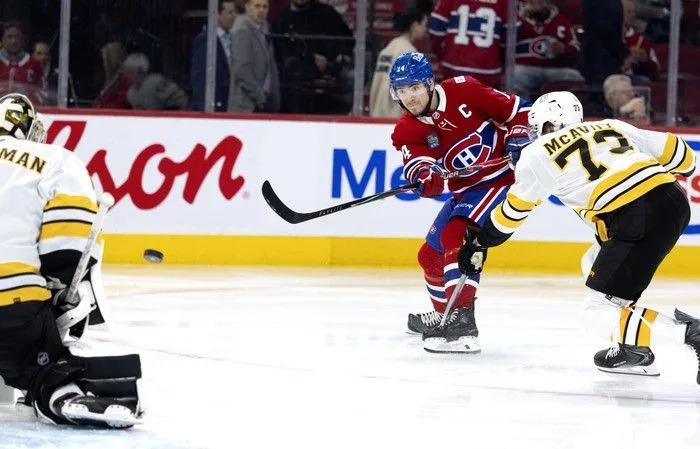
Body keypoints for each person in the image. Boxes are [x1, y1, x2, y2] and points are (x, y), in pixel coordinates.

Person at [456, 91, 699, 379]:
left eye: (538, 128)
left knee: (594, 315)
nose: (534, 135)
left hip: (633, 216)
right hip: (672, 200)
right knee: (593, 261)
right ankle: (632, 349)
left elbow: (512, 214)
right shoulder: (611, 125)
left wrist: (480, 241)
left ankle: (688, 333)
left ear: (548, 124)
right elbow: (681, 154)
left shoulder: (535, 155)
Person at [0, 93, 143, 427]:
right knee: (41, 370)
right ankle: (59, 391)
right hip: (10, 304)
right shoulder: (54, 159)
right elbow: (65, 252)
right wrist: (60, 306)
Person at [389, 52, 531, 353]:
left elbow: (518, 110)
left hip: (501, 180)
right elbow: (417, 164)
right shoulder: (407, 129)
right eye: (401, 90)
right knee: (429, 256)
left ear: (429, 84)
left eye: (414, 88)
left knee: (456, 235)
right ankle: (444, 316)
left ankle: (462, 320)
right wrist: (425, 178)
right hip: (466, 191)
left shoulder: (464, 90)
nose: (409, 97)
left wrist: (518, 135)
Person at [513, 0, 584, 98]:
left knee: (576, 77)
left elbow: (576, 47)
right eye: (534, 3)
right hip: (524, 69)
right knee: (514, 76)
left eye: (542, 2)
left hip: (555, 69)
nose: (539, 5)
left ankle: (565, 110)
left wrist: (563, 49)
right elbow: (504, 44)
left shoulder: (562, 21)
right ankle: (522, 110)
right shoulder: (516, 20)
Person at [428, 0, 507, 87]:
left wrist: (442, 54)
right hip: (489, 74)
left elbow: (435, 28)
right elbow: (512, 36)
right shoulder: (504, 2)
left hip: (454, 71)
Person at [369, 8, 428, 118]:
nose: (426, 29)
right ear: (415, 25)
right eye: (424, 25)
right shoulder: (409, 52)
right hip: (394, 116)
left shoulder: (388, 48)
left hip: (377, 112)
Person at [228, 0, 280, 113]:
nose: (261, 10)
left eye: (265, 7)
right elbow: (241, 69)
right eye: (257, 6)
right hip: (247, 105)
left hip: (262, 102)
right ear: (247, 7)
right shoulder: (242, 30)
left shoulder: (264, 28)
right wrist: (260, 96)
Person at [190, 0, 237, 111]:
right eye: (230, 12)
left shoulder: (232, 38)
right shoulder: (205, 40)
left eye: (235, 12)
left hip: (227, 106)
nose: (234, 16)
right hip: (211, 108)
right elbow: (199, 77)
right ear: (217, 14)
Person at [0, 21, 45, 103]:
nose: (13, 41)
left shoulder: (33, 64)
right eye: (9, 37)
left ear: (22, 39)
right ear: (2, 40)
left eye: (17, 37)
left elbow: (42, 94)